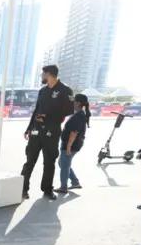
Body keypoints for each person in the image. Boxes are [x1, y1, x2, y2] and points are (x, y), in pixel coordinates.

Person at [21, 64, 74, 200]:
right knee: (29, 161)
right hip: (36, 131)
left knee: (49, 163)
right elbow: (37, 111)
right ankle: (22, 189)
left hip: (52, 132)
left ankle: (47, 189)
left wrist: (49, 115)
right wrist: (29, 128)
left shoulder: (65, 90)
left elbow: (69, 110)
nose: (41, 77)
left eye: (43, 74)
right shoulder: (42, 91)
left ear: (49, 74)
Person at [54, 93, 90, 194]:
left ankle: (63, 187)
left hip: (71, 144)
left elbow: (74, 133)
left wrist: (69, 147)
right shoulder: (78, 113)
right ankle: (75, 182)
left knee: (64, 165)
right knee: (63, 163)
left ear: (78, 103)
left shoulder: (79, 116)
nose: (72, 102)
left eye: (73, 101)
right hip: (72, 144)